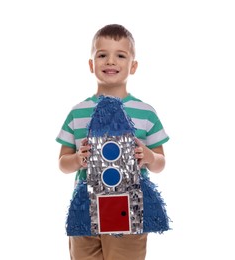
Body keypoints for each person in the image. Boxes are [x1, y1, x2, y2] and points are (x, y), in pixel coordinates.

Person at [56, 24, 170, 260]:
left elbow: (160, 163)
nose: (110, 61)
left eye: (120, 55)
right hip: (86, 210)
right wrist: (78, 159)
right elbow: (63, 164)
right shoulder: (77, 113)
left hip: (129, 211)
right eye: (102, 55)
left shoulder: (146, 113)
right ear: (91, 64)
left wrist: (149, 156)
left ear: (133, 66)